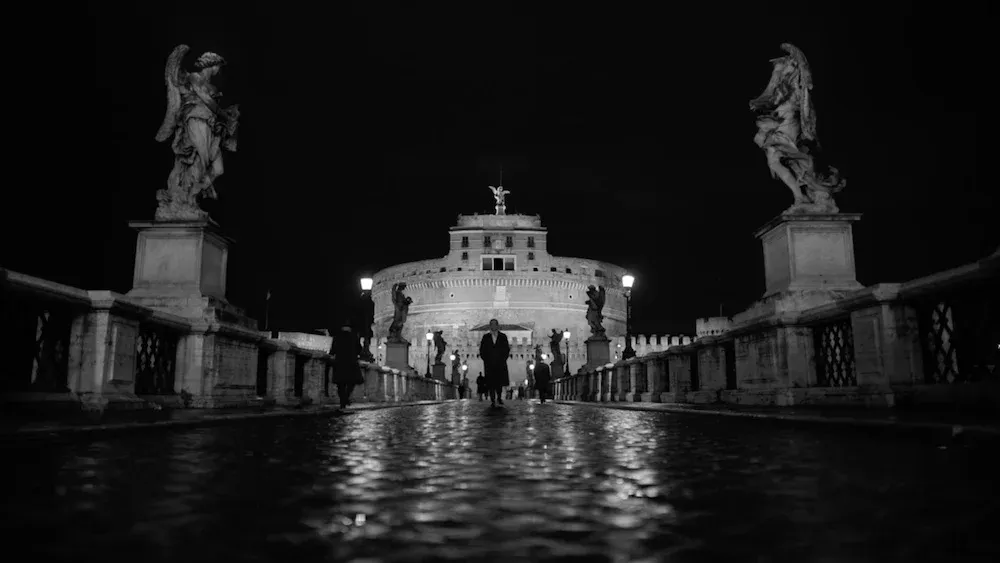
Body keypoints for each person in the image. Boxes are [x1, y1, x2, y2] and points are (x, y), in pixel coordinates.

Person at [331, 323, 365, 410]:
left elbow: (332, 350)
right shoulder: (354, 336)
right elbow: (359, 350)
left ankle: (342, 402)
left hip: (340, 362)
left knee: (340, 384)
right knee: (351, 382)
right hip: (351, 362)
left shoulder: (337, 336)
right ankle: (346, 397)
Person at [478, 319, 510, 407]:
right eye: (491, 325)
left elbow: (507, 349)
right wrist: (486, 360)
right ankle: (492, 399)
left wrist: (503, 359)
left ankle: (499, 398)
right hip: (489, 364)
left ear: (497, 326)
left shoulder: (503, 336)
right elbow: (482, 350)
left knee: (499, 382)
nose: (493, 326)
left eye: (494, 324)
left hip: (500, 363)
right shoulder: (486, 337)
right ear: (490, 326)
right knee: (491, 383)